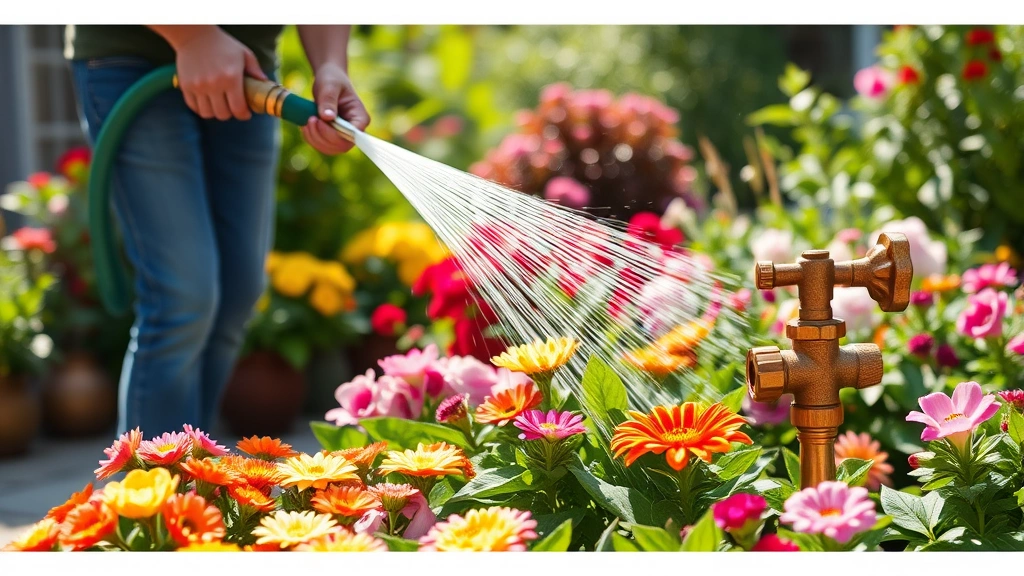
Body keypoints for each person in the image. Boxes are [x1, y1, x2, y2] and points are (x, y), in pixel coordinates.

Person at [64, 25, 370, 437]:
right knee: (183, 297)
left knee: (239, 291)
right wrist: (192, 36)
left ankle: (190, 481)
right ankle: (150, 494)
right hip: (133, 54)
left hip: (249, 69)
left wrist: (331, 63)